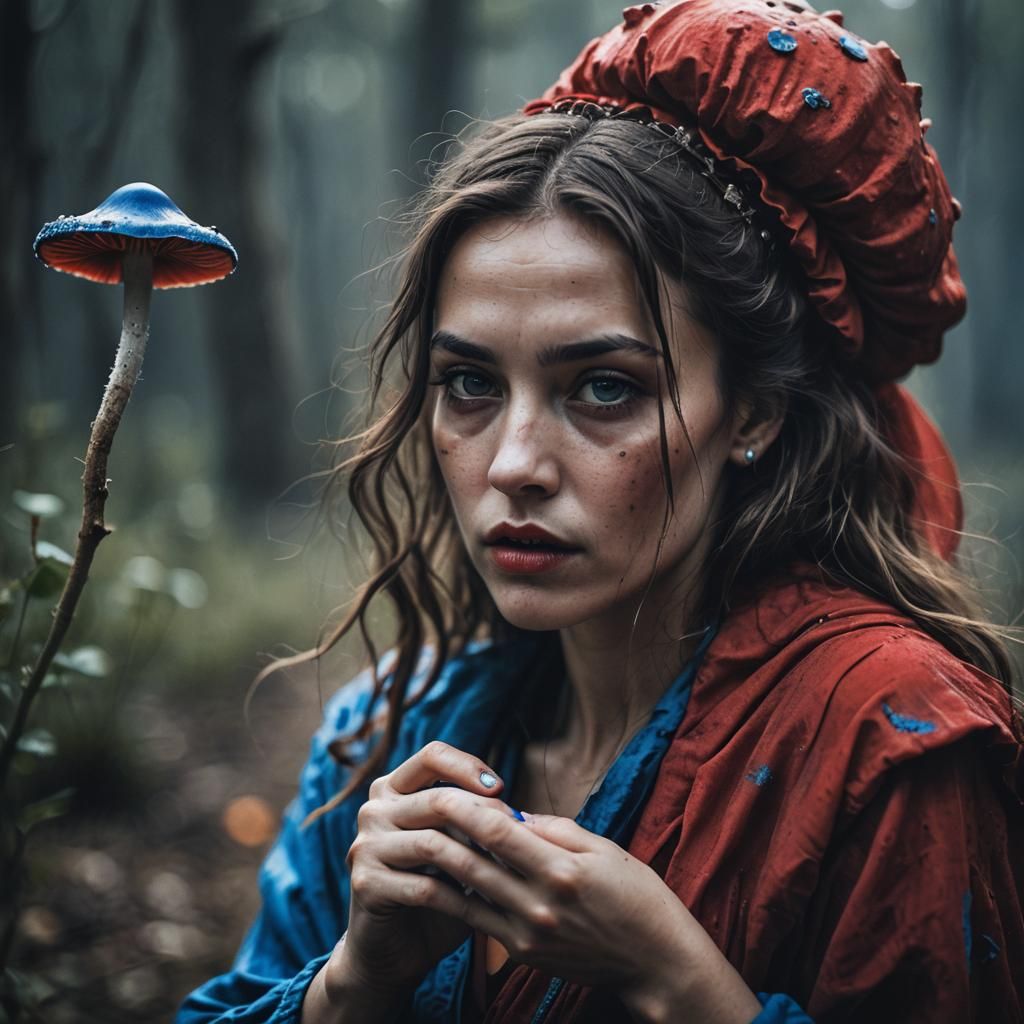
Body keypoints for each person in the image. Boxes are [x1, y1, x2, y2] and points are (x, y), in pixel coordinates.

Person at [177, 1, 1024, 1021]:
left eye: (604, 387)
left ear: (750, 409)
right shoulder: (383, 737)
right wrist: (356, 982)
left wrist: (677, 978)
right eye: (470, 385)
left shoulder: (891, 744)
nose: (516, 465)